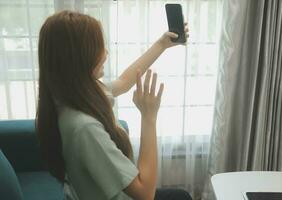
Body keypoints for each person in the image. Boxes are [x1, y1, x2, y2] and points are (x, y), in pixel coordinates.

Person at [36, 10, 192, 200]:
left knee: (181, 196)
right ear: (78, 57)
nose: (105, 53)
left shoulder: (69, 96)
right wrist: (149, 117)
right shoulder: (85, 128)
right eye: (98, 47)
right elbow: (145, 194)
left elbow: (124, 81)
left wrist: (162, 44)